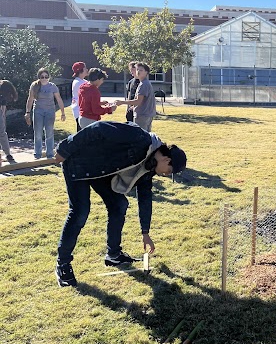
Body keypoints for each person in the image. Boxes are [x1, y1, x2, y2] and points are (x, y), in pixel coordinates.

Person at [53, 121, 187, 287]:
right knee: (80, 211)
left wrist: (145, 232)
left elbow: (145, 197)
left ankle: (113, 255)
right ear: (167, 160)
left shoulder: (149, 168)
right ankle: (63, 264)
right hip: (78, 162)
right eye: (168, 172)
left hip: (100, 171)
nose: (165, 175)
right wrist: (65, 149)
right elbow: (99, 128)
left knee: (119, 205)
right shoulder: (139, 138)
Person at [25, 68, 66, 159]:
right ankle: (37, 153)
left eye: (46, 77)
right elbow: (30, 99)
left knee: (49, 132)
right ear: (39, 77)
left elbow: (59, 99)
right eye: (42, 77)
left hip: (50, 111)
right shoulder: (34, 86)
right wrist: (27, 112)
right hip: (38, 111)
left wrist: (63, 112)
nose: (44, 79)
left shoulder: (52, 86)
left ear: (49, 77)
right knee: (38, 133)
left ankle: (50, 153)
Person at [115, 62, 156, 131]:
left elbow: (138, 101)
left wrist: (122, 102)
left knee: (141, 137)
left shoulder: (143, 84)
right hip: (147, 114)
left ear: (146, 72)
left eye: (141, 70)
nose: (138, 72)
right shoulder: (145, 83)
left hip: (142, 115)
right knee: (147, 136)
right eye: (137, 70)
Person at [0, 80, 18, 166]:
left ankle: (8, 154)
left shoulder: (3, 95)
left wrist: (2, 119)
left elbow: (3, 107)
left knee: (2, 133)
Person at [70, 62, 89, 132]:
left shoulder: (83, 81)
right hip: (79, 111)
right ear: (80, 70)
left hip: (83, 111)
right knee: (81, 133)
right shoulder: (78, 82)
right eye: (85, 68)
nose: (87, 70)